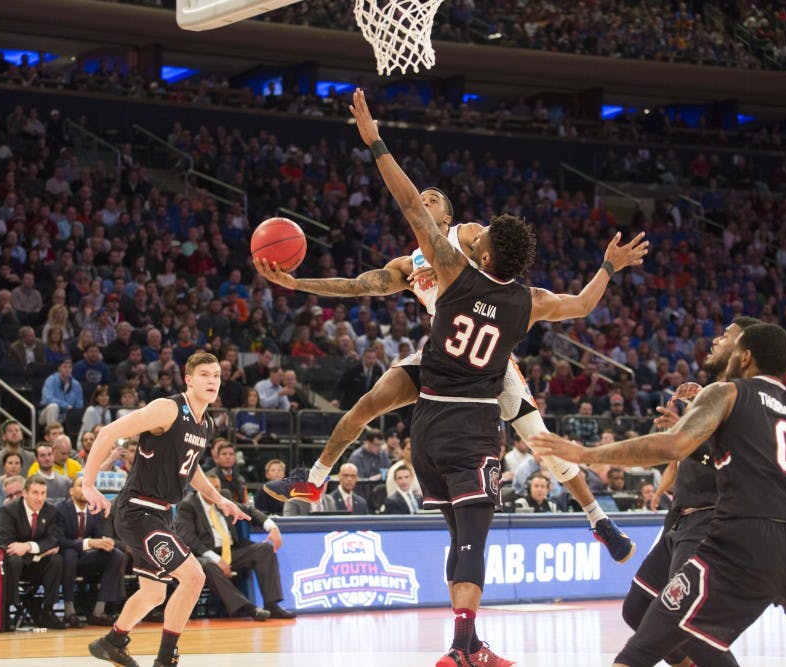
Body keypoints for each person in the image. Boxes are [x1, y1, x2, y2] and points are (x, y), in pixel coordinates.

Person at [259, 95, 647, 571]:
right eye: (422, 197)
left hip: (488, 363)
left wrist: (378, 145)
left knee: (541, 441)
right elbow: (358, 286)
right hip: (443, 358)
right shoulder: (409, 265)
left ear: (446, 216)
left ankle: (598, 518)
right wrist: (297, 283)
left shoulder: (467, 236)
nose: (424, 201)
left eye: (433, 199)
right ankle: (315, 479)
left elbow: (502, 267)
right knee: (367, 404)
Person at [530, 323, 786, 667]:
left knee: (643, 650)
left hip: (743, 540)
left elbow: (672, 446)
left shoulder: (728, 393)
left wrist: (585, 453)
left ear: (745, 356)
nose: (720, 343)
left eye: (731, 342)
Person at [82, 351, 247, 667]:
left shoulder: (205, 424)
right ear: (188, 379)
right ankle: (165, 659)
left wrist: (220, 499)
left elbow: (191, 468)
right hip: (138, 510)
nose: (212, 381)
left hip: (160, 514)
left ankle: (113, 641)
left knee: (154, 594)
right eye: (204, 375)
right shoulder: (167, 409)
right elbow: (108, 432)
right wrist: (88, 484)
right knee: (194, 577)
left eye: (216, 375)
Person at [613, 317, 759, 667]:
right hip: (680, 521)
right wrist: (688, 420)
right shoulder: (713, 393)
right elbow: (688, 455)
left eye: (727, 336)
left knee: (690, 625)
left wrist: (681, 434)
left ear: (745, 352)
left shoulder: (744, 398)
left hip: (709, 523)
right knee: (637, 609)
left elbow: (726, 461)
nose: (717, 339)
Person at [174, 469, 296, 620]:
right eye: (211, 487)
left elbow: (249, 510)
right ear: (200, 487)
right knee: (207, 566)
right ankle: (248, 608)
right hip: (205, 554)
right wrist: (217, 560)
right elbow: (187, 538)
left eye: (217, 487)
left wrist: (272, 527)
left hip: (232, 551)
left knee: (265, 549)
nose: (214, 491)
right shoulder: (188, 504)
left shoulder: (223, 497)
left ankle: (272, 605)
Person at [0, 475, 67, 629]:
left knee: (56, 560)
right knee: (14, 559)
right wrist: (39, 552)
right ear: (25, 493)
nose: (40, 498)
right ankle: (6, 612)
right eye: (35, 493)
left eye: (43, 493)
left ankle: (48, 611)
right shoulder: (8, 511)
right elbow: (7, 543)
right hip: (14, 566)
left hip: (36, 566)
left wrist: (28, 546)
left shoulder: (51, 511)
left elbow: (53, 540)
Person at [57, 476, 125, 628]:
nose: (85, 490)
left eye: (89, 486)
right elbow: (60, 540)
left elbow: (99, 536)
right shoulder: (61, 509)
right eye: (81, 485)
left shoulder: (95, 509)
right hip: (64, 560)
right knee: (69, 553)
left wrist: (106, 542)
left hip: (87, 559)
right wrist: (89, 543)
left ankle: (99, 611)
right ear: (71, 491)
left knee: (115, 554)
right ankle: (69, 611)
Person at [40, 358, 85, 426]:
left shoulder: (76, 384)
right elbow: (48, 399)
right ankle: (53, 431)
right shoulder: (51, 380)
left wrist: (72, 413)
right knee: (53, 407)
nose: (67, 369)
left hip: (67, 415)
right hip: (47, 413)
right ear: (59, 368)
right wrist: (65, 405)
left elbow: (79, 404)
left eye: (69, 367)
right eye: (64, 367)